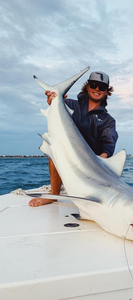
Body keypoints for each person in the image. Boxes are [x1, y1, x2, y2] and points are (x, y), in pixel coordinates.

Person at [29, 71, 118, 207]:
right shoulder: (69, 104)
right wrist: (53, 100)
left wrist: (101, 160)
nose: (97, 89)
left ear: (107, 92)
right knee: (55, 151)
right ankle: (54, 195)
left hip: (92, 162)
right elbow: (54, 106)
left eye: (102, 87)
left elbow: (109, 141)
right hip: (68, 154)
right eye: (94, 85)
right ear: (87, 87)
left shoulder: (108, 120)